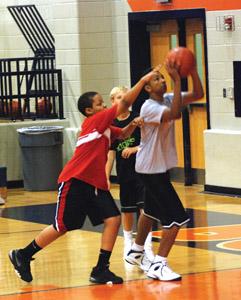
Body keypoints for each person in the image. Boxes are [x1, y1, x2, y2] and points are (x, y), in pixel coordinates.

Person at [8, 66, 161, 285]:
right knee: (63, 226)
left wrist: (133, 124)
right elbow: (125, 104)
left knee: (113, 219)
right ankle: (22, 254)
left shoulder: (106, 128)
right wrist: (143, 79)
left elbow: (123, 133)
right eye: (100, 103)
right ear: (90, 111)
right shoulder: (94, 122)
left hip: (95, 185)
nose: (105, 105)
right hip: (76, 180)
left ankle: (101, 269)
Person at [125, 58, 204, 281]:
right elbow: (176, 114)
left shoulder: (169, 98)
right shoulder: (149, 107)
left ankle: (137, 250)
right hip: (150, 170)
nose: (162, 81)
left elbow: (198, 94)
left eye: (162, 77)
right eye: (156, 79)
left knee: (149, 211)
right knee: (177, 218)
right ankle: (159, 265)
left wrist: (193, 71)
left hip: (154, 167)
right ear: (147, 88)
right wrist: (177, 80)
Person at [106, 86, 154, 261]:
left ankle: (146, 243)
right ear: (113, 101)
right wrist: (106, 176)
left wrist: (135, 148)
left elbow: (150, 142)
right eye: (119, 97)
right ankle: (128, 241)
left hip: (142, 170)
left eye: (125, 97)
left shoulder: (137, 118)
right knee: (127, 209)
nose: (122, 100)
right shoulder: (111, 123)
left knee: (144, 207)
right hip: (124, 172)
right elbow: (110, 153)